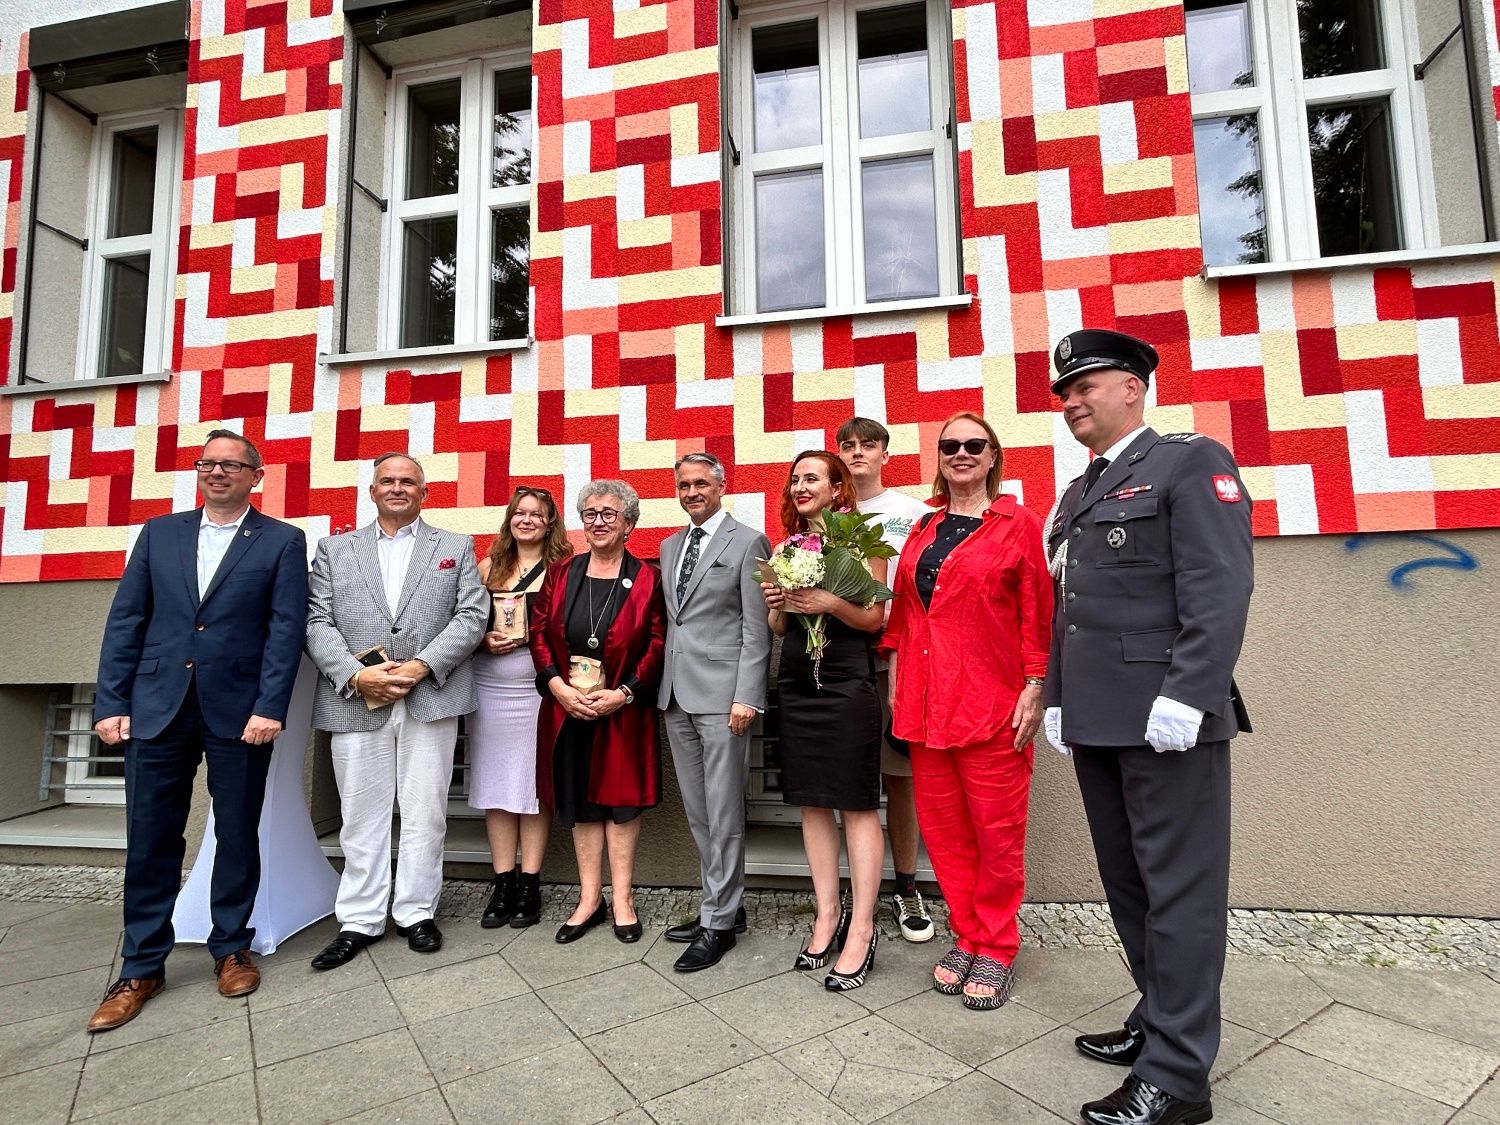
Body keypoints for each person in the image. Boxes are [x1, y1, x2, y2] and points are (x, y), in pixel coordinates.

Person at [1043, 329, 1253, 1125]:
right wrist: (1060, 696)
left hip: (1168, 719)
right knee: (1130, 885)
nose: (1070, 401)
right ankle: (1159, 1018)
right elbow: (1070, 613)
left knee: (1181, 894)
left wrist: (1188, 696)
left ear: (1132, 386)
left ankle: (1179, 1078)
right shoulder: (1079, 492)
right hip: (1099, 717)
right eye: (1064, 391)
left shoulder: (1189, 460)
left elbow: (1220, 588)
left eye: (1085, 385)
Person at [87, 430, 308, 1032]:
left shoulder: (283, 541)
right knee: (151, 834)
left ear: (255, 476)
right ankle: (141, 966)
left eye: (232, 465)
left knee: (237, 830)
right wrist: (111, 702)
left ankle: (231, 947)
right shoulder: (161, 533)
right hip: (157, 706)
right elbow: (127, 619)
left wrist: (270, 706)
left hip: (240, 711)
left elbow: (285, 632)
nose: (218, 473)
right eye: (208, 463)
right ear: (197, 472)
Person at [882, 412, 1050, 1010]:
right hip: (926, 709)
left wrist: (1035, 686)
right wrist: (899, 699)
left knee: (996, 836)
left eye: (973, 445)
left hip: (991, 706)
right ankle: (968, 934)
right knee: (947, 836)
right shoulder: (924, 526)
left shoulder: (1018, 525)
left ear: (992, 456)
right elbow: (902, 623)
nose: (961, 454)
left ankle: (998, 946)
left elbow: (1037, 613)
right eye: (950, 446)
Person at [304, 452, 487, 968]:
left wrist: (423, 666)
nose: (398, 488)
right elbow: (316, 621)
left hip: (430, 696)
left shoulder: (454, 546)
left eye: (409, 481)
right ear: (372, 490)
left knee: (426, 811)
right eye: (388, 480)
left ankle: (415, 912)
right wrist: (356, 673)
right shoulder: (335, 550)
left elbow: (472, 615)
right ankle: (360, 918)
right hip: (357, 700)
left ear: (424, 493)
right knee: (360, 816)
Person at [759, 452, 887, 991]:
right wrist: (778, 602)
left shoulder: (865, 544)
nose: (798, 485)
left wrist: (830, 600)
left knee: (856, 804)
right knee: (812, 802)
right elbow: (779, 627)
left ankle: (862, 927)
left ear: (839, 489)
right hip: (796, 681)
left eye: (810, 477)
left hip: (846, 681)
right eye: (795, 478)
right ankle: (827, 915)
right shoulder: (787, 547)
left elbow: (876, 617)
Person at [529, 480, 666, 945]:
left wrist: (625, 692)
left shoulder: (649, 577)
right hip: (568, 708)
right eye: (590, 513)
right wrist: (555, 686)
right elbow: (539, 632)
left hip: (622, 711)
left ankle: (623, 900)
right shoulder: (562, 572)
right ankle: (590, 899)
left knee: (621, 805)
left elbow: (658, 641)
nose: (598, 522)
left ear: (630, 523)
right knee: (582, 804)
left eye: (609, 513)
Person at [658, 453, 772, 972]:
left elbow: (757, 627)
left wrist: (748, 695)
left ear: (722, 486)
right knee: (700, 812)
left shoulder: (748, 542)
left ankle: (718, 923)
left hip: (726, 699)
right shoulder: (668, 546)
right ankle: (722, 906)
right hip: (675, 695)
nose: (691, 491)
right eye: (684, 484)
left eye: (701, 483)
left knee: (724, 812)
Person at [835, 416, 934, 945]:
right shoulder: (829, 514)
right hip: (841, 660)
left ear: (885, 454)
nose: (856, 454)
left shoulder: (911, 513)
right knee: (845, 782)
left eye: (866, 445)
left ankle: (906, 884)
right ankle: (851, 891)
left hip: (897, 659)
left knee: (900, 778)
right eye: (847, 446)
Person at [470, 486, 573, 928]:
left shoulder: (564, 569)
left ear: (550, 523)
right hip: (490, 685)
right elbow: (463, 621)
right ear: (509, 519)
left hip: (539, 688)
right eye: (520, 513)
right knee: (496, 786)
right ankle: (502, 881)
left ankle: (530, 881)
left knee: (533, 786)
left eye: (537, 514)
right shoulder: (488, 567)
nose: (527, 520)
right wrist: (481, 639)